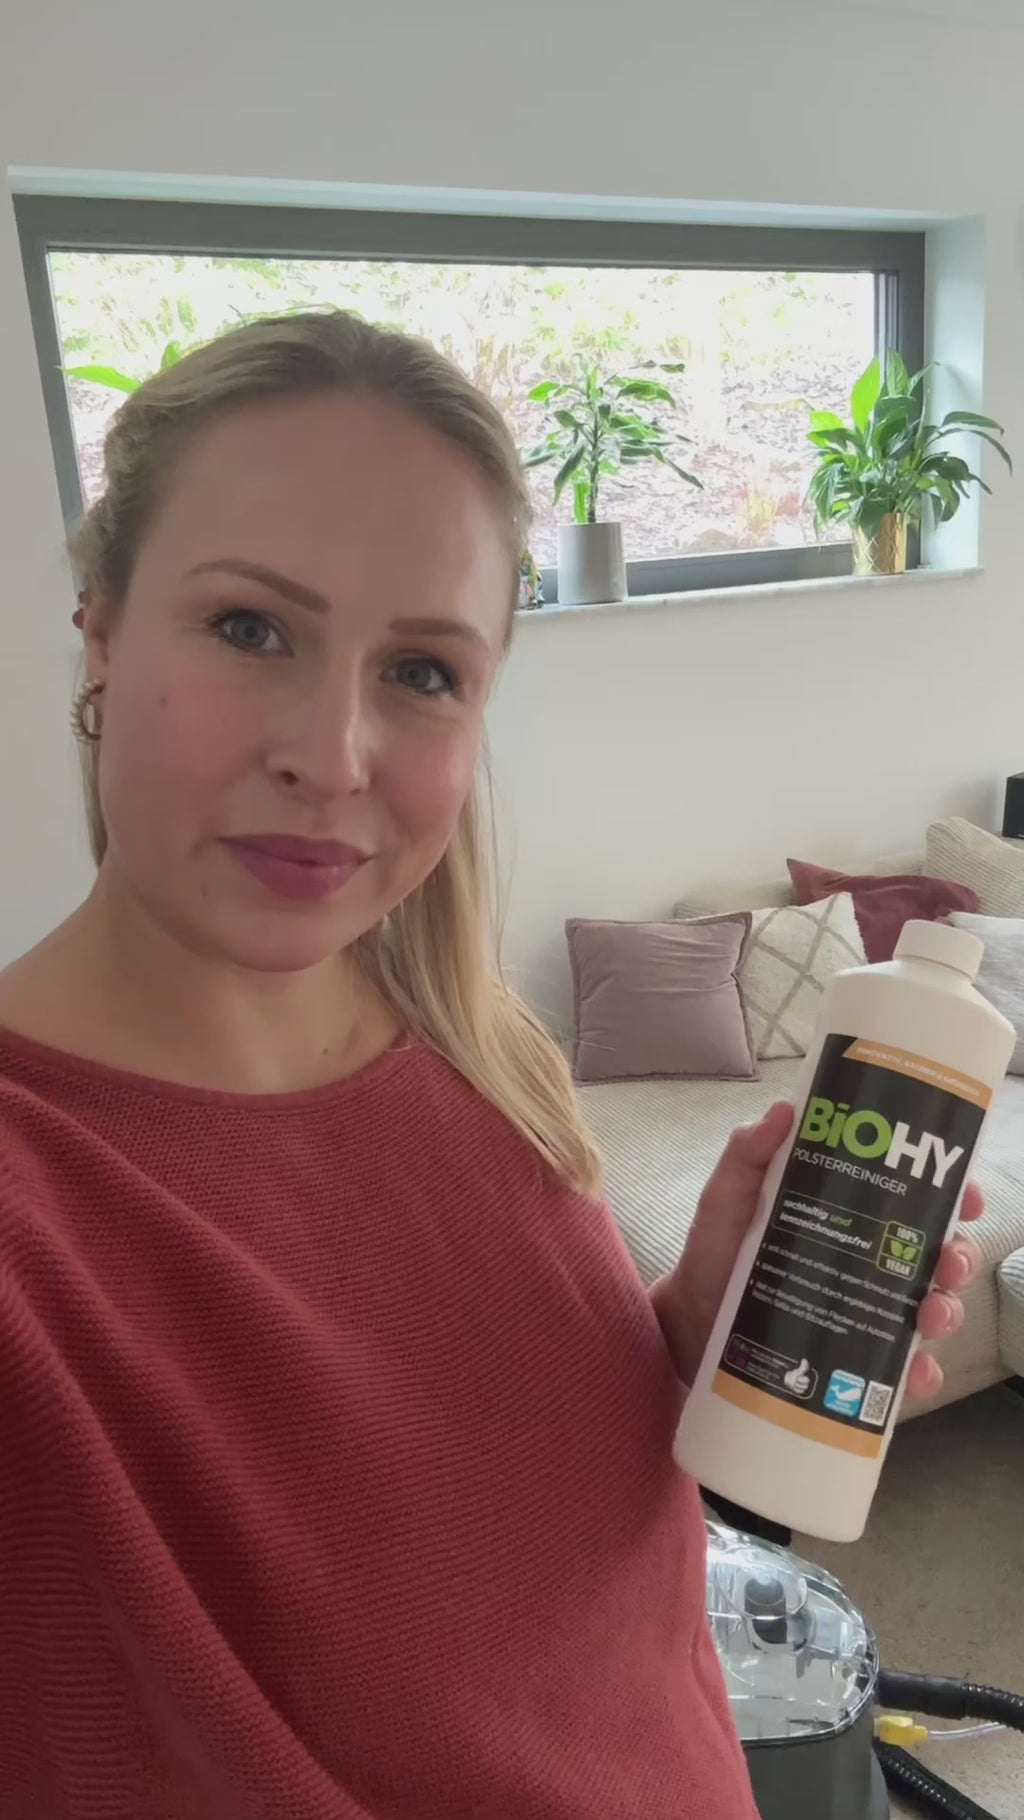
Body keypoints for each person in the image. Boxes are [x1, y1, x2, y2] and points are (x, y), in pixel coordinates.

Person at [0, 311, 979, 1820]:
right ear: (103, 625)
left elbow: (511, 1541)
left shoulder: (473, 1044)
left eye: (421, 670)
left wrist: (685, 1342)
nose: (333, 754)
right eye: (251, 629)